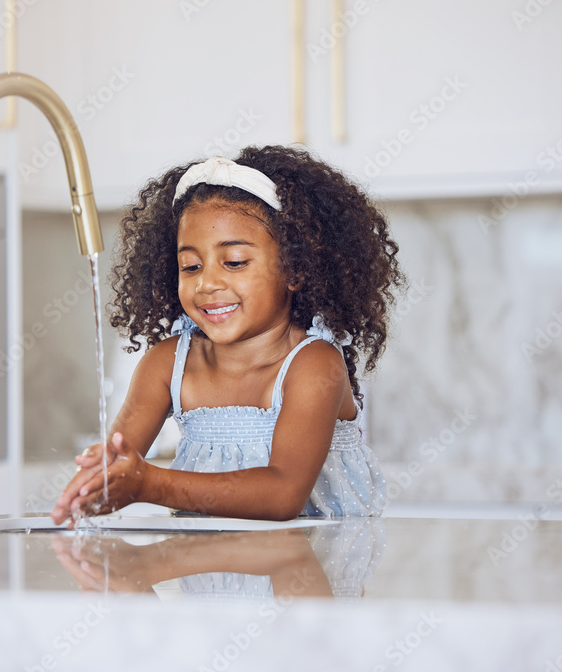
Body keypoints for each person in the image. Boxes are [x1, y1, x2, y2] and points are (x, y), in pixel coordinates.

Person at [50, 145, 405, 527]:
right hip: (208, 578)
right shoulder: (167, 364)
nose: (206, 282)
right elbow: (117, 462)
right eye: (191, 265)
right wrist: (95, 484)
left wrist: (148, 484)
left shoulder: (314, 365)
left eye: (234, 262)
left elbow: (282, 494)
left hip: (310, 573)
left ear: (295, 270)